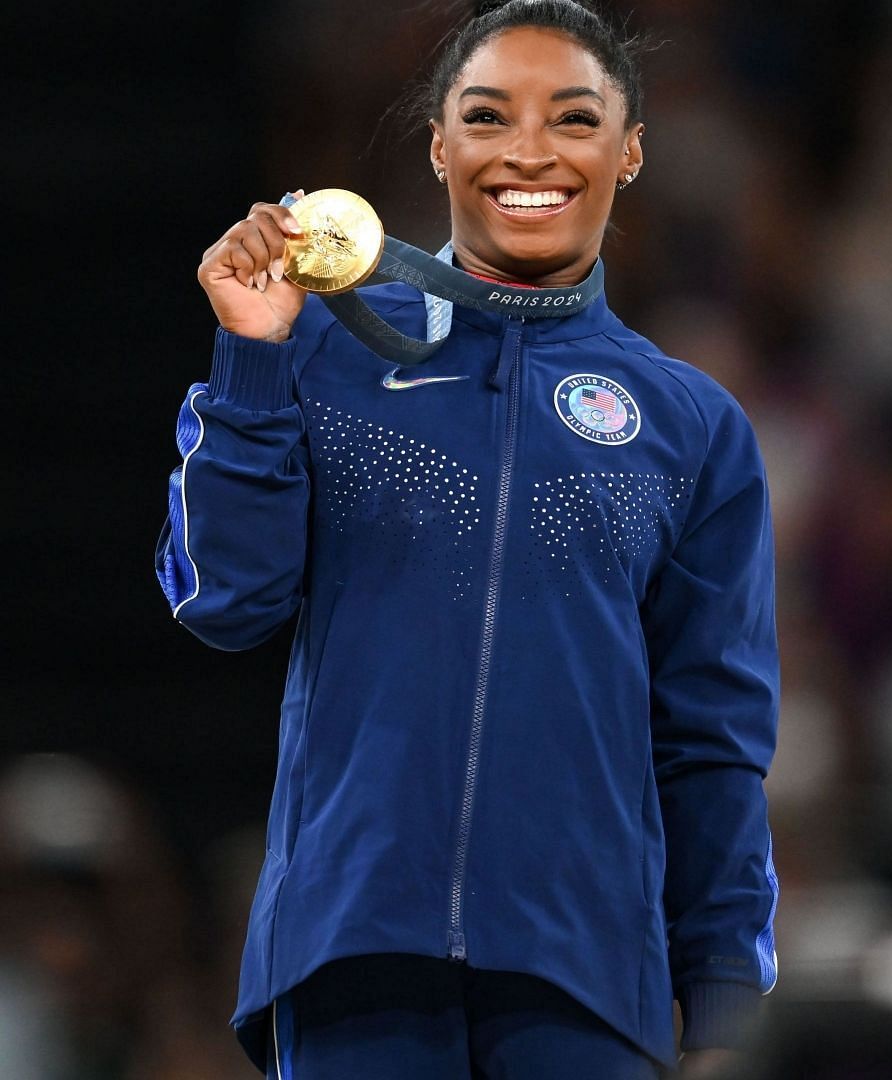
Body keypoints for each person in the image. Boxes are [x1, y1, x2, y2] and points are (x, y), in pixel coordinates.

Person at [155, 2, 778, 1076]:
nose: (529, 152)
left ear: (629, 152)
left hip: (588, 984)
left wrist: (721, 1007)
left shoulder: (691, 427)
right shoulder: (317, 361)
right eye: (488, 117)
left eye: (574, 120)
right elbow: (224, 600)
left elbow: (712, 740)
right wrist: (250, 357)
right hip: (352, 956)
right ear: (439, 145)